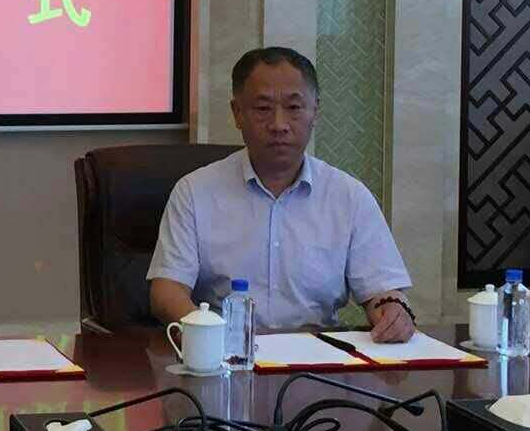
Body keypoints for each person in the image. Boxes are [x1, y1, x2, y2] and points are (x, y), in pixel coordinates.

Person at [148, 47, 415, 342]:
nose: (279, 125)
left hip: (318, 355)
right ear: (237, 113)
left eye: (294, 107)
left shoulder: (349, 196)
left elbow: (383, 289)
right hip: (225, 353)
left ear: (315, 111)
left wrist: (393, 311)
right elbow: (167, 291)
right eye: (263, 109)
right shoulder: (194, 191)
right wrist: (208, 337)